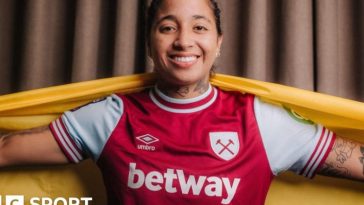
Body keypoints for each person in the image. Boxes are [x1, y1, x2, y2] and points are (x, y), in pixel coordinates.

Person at [0, 0, 363, 204]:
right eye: (168, 27)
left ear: (219, 42)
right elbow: (8, 150)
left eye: (200, 27)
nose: (183, 41)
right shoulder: (111, 116)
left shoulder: (260, 121)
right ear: (150, 42)